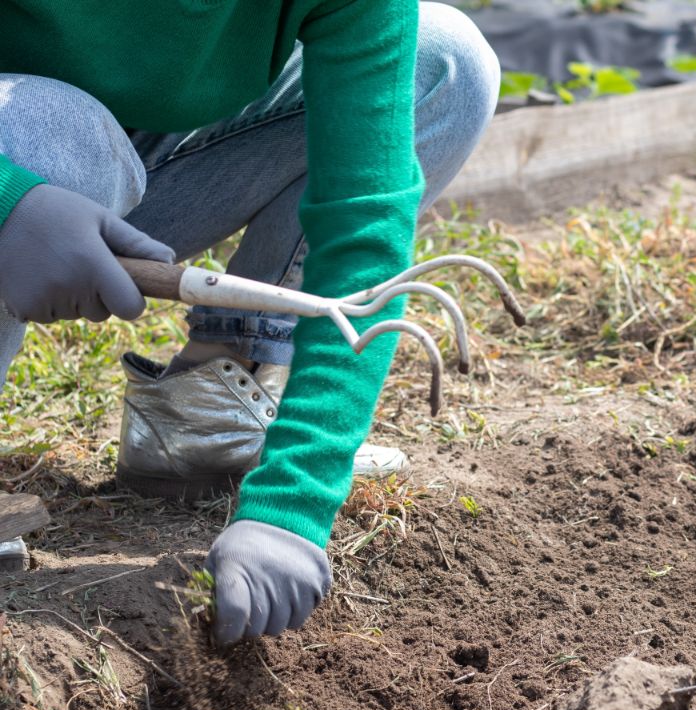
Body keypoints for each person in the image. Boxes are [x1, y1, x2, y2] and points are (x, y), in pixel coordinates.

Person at [0, 0, 500, 645]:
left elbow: (362, 224)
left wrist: (292, 510)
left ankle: (208, 406)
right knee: (54, 128)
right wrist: (10, 198)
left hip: (122, 176)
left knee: (442, 64)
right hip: (25, 146)